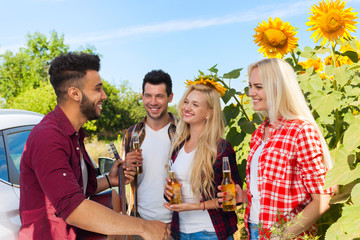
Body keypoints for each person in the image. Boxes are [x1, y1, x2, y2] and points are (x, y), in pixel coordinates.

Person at [19, 52, 170, 240]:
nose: (104, 96)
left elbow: (76, 189)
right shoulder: (48, 137)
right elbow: (74, 208)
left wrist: (110, 180)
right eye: (97, 89)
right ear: (75, 93)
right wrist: (144, 228)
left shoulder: (74, 135)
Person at [218, 58, 333, 240]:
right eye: (250, 86)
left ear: (278, 88)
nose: (251, 93)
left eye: (258, 87)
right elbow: (271, 192)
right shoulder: (258, 133)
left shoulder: (301, 130)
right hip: (255, 229)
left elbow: (322, 200)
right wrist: (244, 196)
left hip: (286, 235)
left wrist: (281, 235)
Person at [163, 78, 242, 240]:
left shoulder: (221, 149)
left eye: (195, 104)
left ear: (209, 113)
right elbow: (179, 189)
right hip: (181, 231)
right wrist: (168, 193)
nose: (187, 107)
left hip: (210, 232)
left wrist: (194, 206)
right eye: (186, 102)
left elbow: (233, 199)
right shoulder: (178, 147)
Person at [122, 70, 177, 239]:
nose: (153, 102)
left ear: (170, 97)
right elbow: (125, 179)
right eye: (148, 96)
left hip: (177, 223)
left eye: (159, 96)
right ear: (142, 96)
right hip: (140, 223)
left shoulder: (184, 132)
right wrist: (125, 169)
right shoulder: (132, 134)